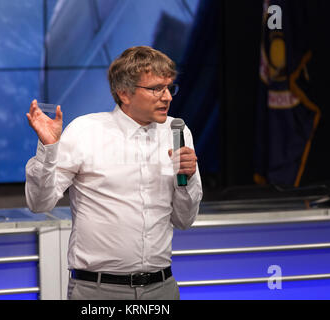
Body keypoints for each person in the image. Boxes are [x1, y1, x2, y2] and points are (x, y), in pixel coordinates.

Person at [25, 46, 202, 300]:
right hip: (98, 291)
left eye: (169, 88)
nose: (167, 97)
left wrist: (189, 178)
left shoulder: (177, 133)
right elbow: (39, 203)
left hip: (161, 288)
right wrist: (49, 149)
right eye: (156, 89)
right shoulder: (86, 131)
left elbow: (185, 220)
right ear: (124, 93)